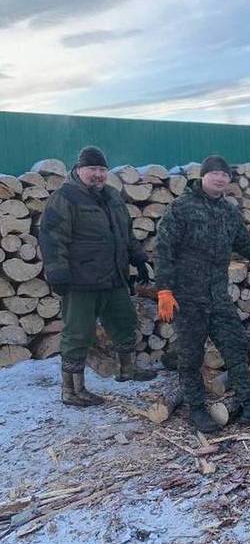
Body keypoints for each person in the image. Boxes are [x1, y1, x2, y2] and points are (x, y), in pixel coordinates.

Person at [156, 155, 250, 432]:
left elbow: (242, 242)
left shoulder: (228, 211)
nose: (220, 178)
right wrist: (165, 290)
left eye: (225, 175)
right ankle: (197, 410)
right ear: (203, 176)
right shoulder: (181, 208)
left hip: (218, 296)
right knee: (190, 356)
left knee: (236, 347)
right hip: (187, 297)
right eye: (214, 174)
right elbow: (165, 251)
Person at [40, 146, 156, 407]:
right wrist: (57, 273)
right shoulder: (65, 197)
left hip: (114, 277)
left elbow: (125, 233)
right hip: (81, 281)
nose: (98, 174)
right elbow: (51, 237)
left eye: (102, 169)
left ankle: (127, 369)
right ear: (78, 169)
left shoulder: (112, 196)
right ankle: (72, 390)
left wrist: (138, 259)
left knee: (125, 323)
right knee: (78, 333)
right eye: (92, 169)